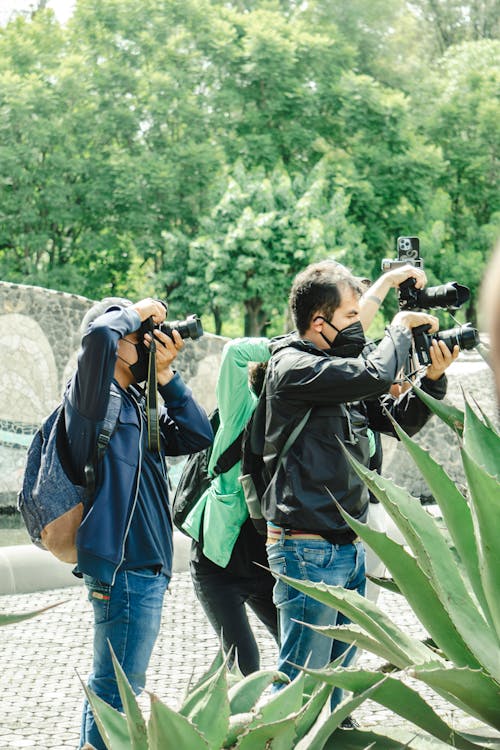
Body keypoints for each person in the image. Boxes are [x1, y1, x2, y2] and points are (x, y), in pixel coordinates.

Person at [262, 262, 458, 709]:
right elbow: (373, 373)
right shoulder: (292, 367)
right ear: (319, 322)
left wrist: (432, 378)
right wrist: (399, 330)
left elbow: (398, 419)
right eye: (352, 317)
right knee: (298, 682)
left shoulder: (339, 372)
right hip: (306, 550)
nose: (361, 326)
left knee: (340, 683)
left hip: (349, 548)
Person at [65, 297, 213, 750]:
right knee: (115, 695)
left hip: (145, 567)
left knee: (115, 690)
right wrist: (138, 310)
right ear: (116, 345)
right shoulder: (93, 400)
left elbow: (197, 435)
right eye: (138, 338)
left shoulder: (133, 401)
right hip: (124, 567)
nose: (148, 343)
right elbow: (96, 337)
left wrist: (165, 376)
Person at [183, 338, 279, 675]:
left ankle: (330, 722)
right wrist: (293, 347)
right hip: (217, 568)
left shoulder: (299, 427)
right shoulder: (241, 414)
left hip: (266, 567)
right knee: (245, 664)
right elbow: (235, 352)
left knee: (302, 649)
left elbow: (366, 443)